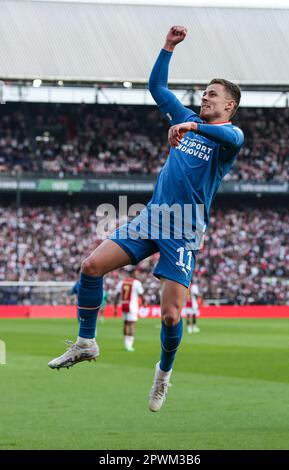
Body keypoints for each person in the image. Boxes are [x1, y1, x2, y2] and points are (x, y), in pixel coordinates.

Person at [48, 25, 244, 413]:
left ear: (229, 107)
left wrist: (191, 125)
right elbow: (157, 88)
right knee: (91, 265)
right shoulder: (186, 117)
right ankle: (86, 342)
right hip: (152, 217)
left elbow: (234, 139)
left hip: (185, 228)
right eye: (204, 92)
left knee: (171, 315)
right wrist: (168, 47)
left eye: (213, 95)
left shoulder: (227, 137)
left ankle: (163, 374)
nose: (205, 97)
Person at [114, 270, 144, 352]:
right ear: (132, 274)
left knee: (126, 323)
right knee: (131, 324)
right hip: (132, 306)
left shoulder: (122, 282)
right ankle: (129, 345)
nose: (138, 275)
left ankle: (126, 343)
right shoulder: (137, 283)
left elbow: (117, 295)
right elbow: (141, 294)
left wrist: (115, 307)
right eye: (136, 273)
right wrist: (144, 303)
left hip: (124, 305)